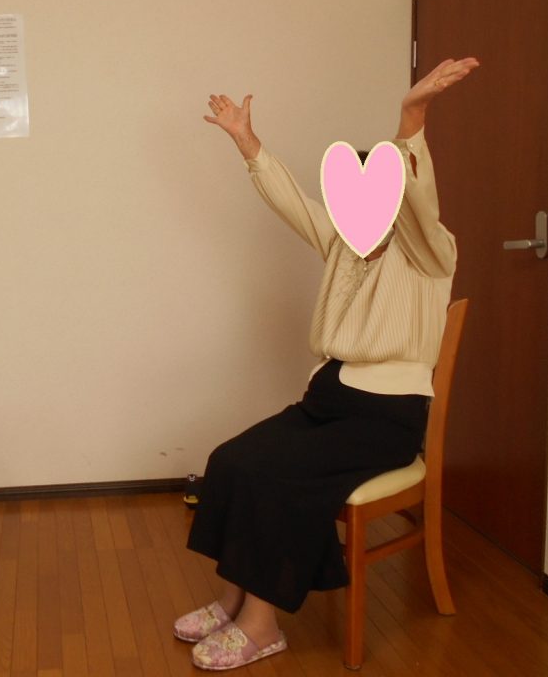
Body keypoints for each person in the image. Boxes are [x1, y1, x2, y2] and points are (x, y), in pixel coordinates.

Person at [174, 57, 479, 671]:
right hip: (326, 402)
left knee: (275, 476)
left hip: (385, 418)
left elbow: (421, 198)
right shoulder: (344, 241)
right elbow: (291, 200)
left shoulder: (431, 252)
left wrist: (412, 115)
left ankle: (262, 626)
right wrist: (247, 142)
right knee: (231, 460)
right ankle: (234, 600)